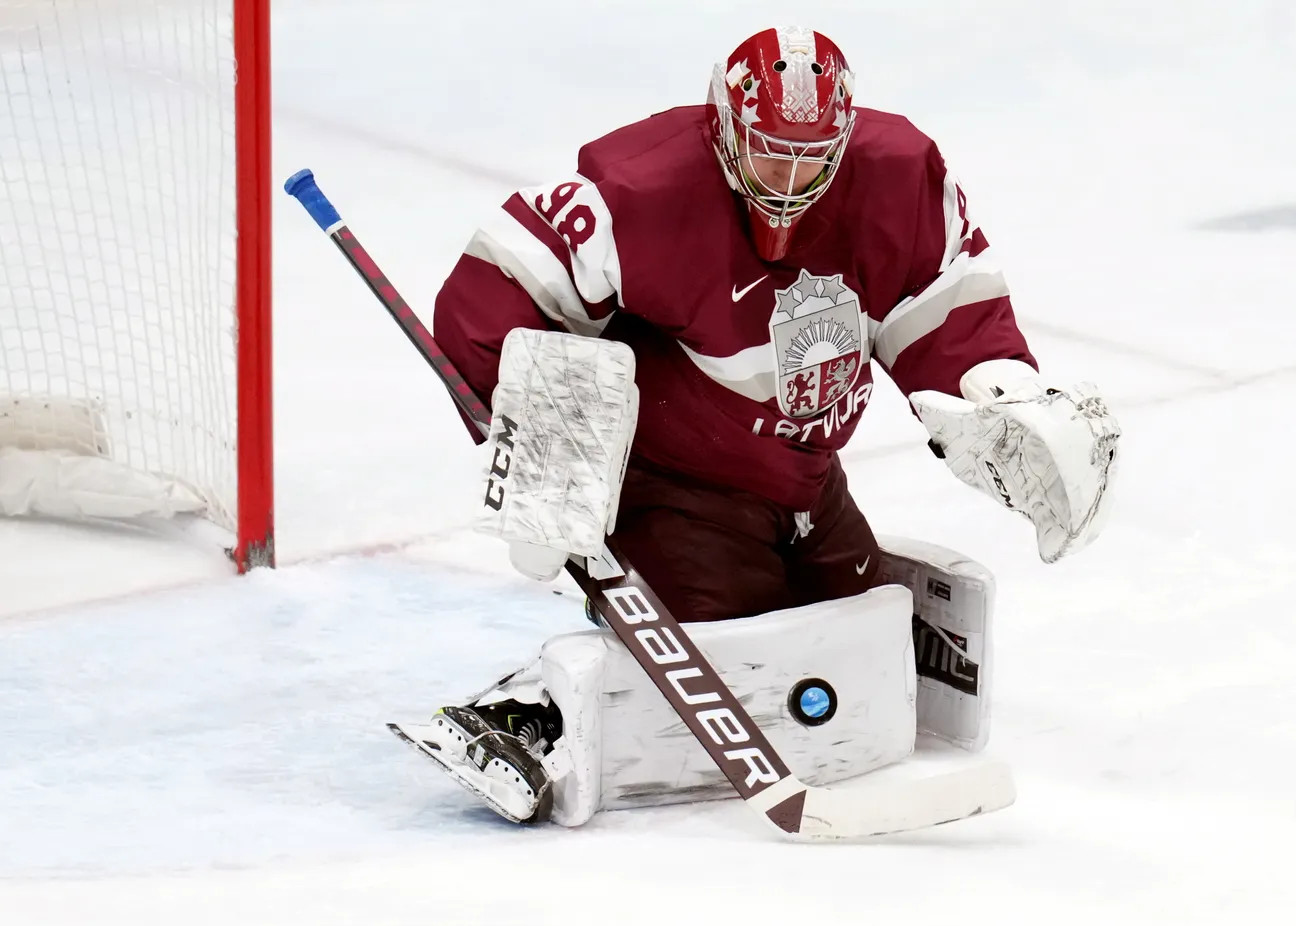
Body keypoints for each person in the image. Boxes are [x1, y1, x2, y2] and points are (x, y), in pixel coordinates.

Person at [408, 25, 1121, 826]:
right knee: (741, 658)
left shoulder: (900, 177)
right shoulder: (642, 188)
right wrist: (546, 469)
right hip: (672, 485)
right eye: (770, 154)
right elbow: (493, 292)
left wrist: (999, 392)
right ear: (723, 128)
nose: (788, 181)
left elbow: (944, 306)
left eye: (810, 159)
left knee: (862, 641)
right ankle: (527, 715)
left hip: (804, 480)